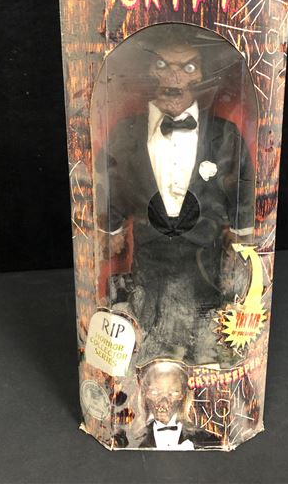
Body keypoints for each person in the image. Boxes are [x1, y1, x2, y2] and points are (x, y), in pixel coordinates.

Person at [96, 26, 255, 364]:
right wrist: (111, 229)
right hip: (149, 258)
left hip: (204, 259)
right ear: (149, 71)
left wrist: (242, 232)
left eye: (187, 67)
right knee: (149, 325)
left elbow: (241, 183)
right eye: (162, 65)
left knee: (203, 331)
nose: (173, 77)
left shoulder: (223, 135)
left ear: (203, 76)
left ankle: (203, 365)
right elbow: (110, 181)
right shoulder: (126, 132)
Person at [137, 361, 221, 449]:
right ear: (146, 394)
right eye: (155, 392)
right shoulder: (133, 441)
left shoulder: (207, 440)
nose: (163, 402)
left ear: (182, 395)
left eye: (172, 393)